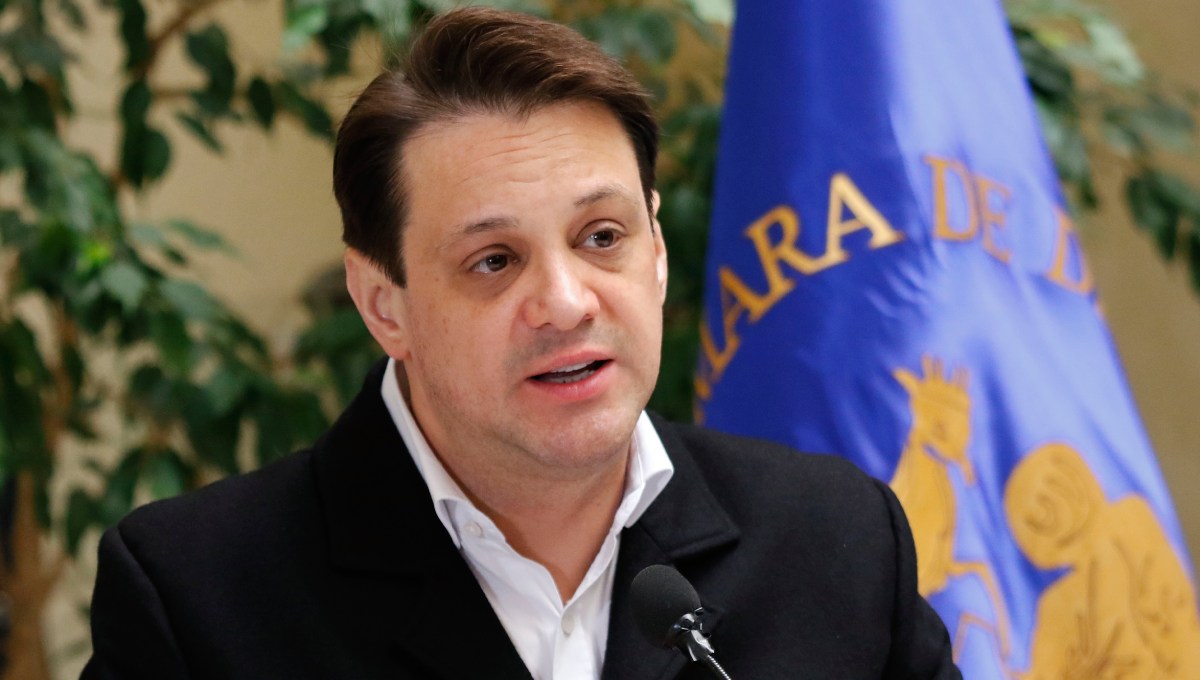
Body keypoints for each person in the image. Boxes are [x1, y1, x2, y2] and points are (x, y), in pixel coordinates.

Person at [82, 8, 959, 679]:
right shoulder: (196, 596)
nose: (566, 304)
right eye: (494, 261)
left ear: (657, 250)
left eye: (602, 237)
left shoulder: (835, 539)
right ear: (384, 305)